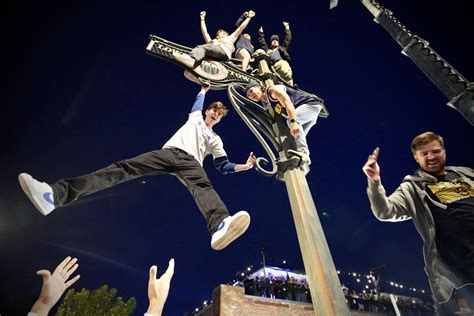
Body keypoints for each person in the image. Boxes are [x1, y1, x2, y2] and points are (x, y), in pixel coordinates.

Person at [19, 84, 257, 251]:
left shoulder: (215, 140)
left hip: (191, 162)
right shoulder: (195, 118)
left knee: (202, 185)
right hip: (168, 153)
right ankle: (54, 195)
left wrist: (244, 167)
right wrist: (204, 90)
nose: (216, 114)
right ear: (208, 111)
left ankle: (220, 225)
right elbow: (198, 102)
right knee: (123, 168)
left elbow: (223, 166)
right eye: (214, 111)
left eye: (220, 115)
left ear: (220, 120)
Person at [362, 131, 474, 315]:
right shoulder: (412, 187)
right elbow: (385, 211)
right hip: (458, 271)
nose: (431, 157)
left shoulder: (467, 173)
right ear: (416, 158)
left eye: (435, 151)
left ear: (444, 152)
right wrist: (374, 182)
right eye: (424, 154)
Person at [245, 82, 323, 166]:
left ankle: (303, 153)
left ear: (259, 86)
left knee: (291, 122)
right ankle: (303, 158)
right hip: (307, 110)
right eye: (248, 96)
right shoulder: (267, 102)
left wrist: (293, 123)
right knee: (294, 136)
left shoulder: (273, 90)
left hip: (310, 105)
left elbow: (288, 104)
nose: (251, 96)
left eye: (251, 91)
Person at [173, 11, 255, 69]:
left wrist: (249, 18)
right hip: (216, 56)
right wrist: (202, 19)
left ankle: (192, 59)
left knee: (202, 47)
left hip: (223, 52)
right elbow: (205, 33)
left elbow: (241, 28)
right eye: (220, 34)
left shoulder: (230, 39)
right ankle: (198, 68)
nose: (221, 35)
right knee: (204, 50)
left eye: (224, 34)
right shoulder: (212, 42)